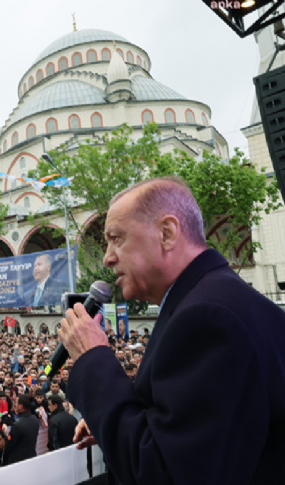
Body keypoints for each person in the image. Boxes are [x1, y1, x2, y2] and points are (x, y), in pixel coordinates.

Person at [60, 176, 285, 484]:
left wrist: (93, 357)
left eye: (117, 238)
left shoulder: (207, 319)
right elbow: (199, 432)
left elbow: (168, 473)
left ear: (166, 233)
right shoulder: (218, 299)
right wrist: (111, 417)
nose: (108, 257)